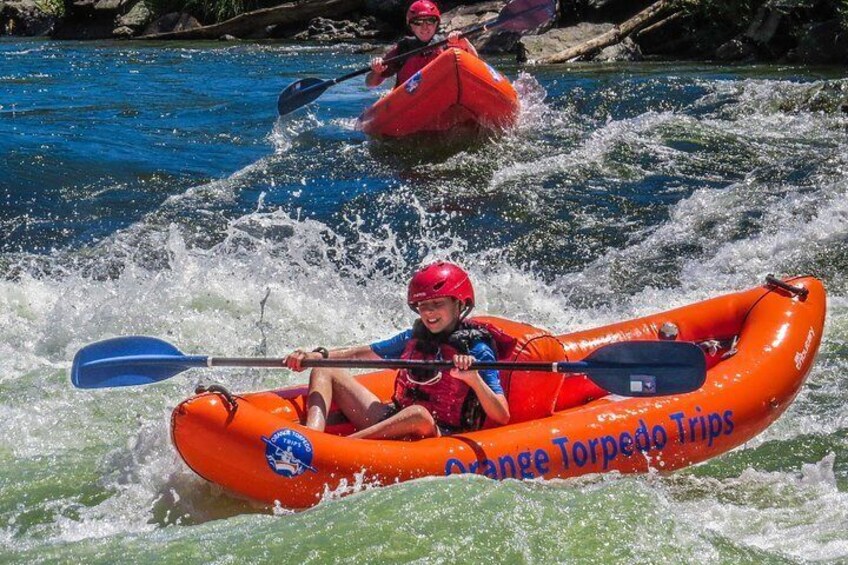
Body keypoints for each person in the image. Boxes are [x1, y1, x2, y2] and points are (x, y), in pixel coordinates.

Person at [285, 261, 510, 439]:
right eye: (423, 306)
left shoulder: (478, 349)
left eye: (438, 304)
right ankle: (311, 439)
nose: (429, 313)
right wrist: (317, 355)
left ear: (459, 303)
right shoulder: (413, 337)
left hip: (439, 432)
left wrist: (473, 379)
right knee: (324, 369)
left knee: (418, 414)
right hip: (393, 418)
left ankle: (343, 446)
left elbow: (501, 415)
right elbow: (360, 353)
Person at [365, 0, 479, 89]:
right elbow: (370, 84)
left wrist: (465, 43)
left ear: (436, 24)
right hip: (409, 99)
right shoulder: (403, 49)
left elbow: (476, 65)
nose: (424, 27)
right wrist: (376, 70)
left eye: (430, 21)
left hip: (441, 93)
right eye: (418, 22)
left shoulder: (447, 44)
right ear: (411, 26)